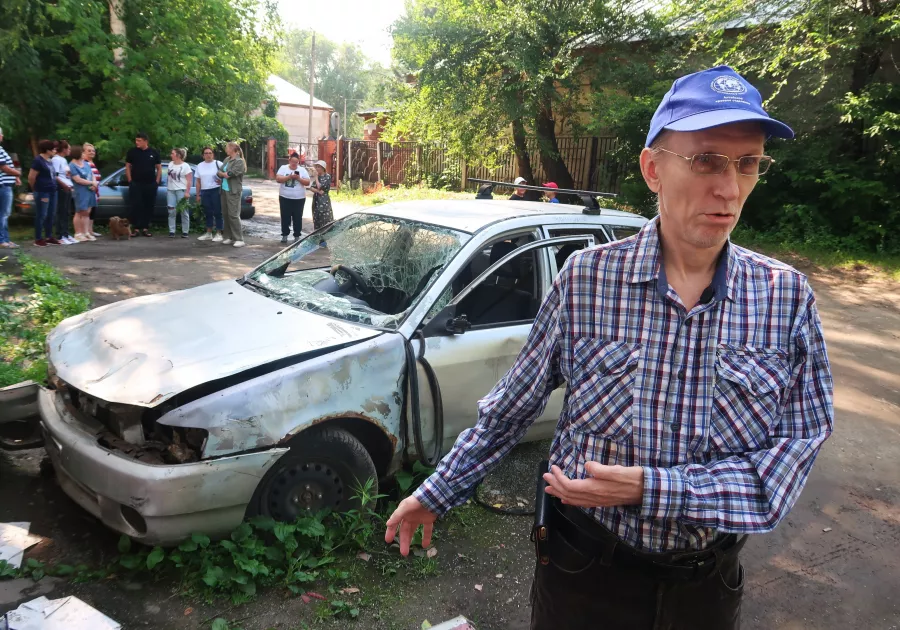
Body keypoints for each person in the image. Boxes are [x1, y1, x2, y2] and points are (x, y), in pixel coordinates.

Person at [385, 65, 834, 630]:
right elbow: (512, 407)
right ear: (653, 169)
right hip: (583, 572)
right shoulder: (587, 279)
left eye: (747, 164)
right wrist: (438, 491)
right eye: (707, 160)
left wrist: (652, 489)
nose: (729, 188)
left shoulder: (785, 298)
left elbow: (794, 452)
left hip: (705, 587)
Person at [125, 132, 161, 237]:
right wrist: (130, 180)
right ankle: (136, 228)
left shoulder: (154, 152)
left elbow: (159, 168)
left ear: (145, 141)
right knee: (136, 206)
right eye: (136, 140)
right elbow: (127, 166)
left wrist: (157, 182)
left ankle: (146, 228)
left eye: (139, 141)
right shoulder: (132, 152)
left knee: (148, 206)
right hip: (136, 184)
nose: (137, 142)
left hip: (150, 184)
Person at [28, 140, 60, 247]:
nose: (55, 151)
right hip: (43, 191)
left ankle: (49, 236)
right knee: (42, 214)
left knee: (51, 214)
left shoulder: (49, 160)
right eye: (53, 149)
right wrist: (35, 189)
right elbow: (31, 177)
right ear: (47, 150)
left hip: (52, 190)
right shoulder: (38, 161)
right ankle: (38, 238)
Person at [275, 152, 310, 244]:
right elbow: (278, 179)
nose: (294, 164)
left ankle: (297, 236)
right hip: (285, 197)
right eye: (293, 162)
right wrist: (289, 177)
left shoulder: (302, 170)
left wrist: (298, 178)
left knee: (297, 217)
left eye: (296, 162)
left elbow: (307, 182)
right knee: (285, 216)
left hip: (299, 198)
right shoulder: (283, 168)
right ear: (289, 161)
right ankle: (284, 235)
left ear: (298, 162)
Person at [217, 141, 246, 247]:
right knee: (225, 214)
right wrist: (223, 174)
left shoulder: (239, 161)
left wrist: (224, 174)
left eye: (227, 147)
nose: (226, 149)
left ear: (233, 149)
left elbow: (231, 173)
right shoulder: (227, 159)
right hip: (224, 190)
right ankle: (228, 237)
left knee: (233, 214)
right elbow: (219, 172)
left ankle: (239, 239)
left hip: (233, 191)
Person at [67, 145, 98, 242]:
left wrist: (94, 183)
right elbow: (77, 179)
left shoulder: (85, 163)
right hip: (80, 191)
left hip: (90, 190)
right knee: (80, 211)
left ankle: (86, 232)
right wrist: (91, 183)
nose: (84, 154)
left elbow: (92, 174)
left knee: (87, 212)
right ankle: (78, 233)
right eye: (82, 152)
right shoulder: (72, 166)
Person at [195, 147, 224, 242]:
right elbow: (198, 181)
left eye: (210, 153)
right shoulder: (199, 165)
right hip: (204, 191)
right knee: (208, 212)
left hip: (216, 190)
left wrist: (222, 182)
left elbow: (227, 176)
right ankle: (209, 233)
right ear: (203, 155)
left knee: (217, 212)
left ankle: (219, 233)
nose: (208, 155)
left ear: (213, 154)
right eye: (206, 153)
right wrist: (198, 194)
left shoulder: (218, 164)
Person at [0, 127, 22, 249]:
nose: (2, 136)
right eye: (1, 134)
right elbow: (4, 168)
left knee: (5, 214)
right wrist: (17, 173)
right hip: (3, 186)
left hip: (6, 185)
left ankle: (6, 239)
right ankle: (2, 240)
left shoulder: (1, 149)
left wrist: (15, 177)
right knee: (3, 214)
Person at [51, 140, 76, 244]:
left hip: (68, 187)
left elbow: (65, 174)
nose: (70, 150)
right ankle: (60, 235)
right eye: (68, 148)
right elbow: (55, 175)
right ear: (64, 149)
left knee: (66, 212)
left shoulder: (64, 160)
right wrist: (63, 185)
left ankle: (66, 233)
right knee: (61, 211)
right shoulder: (56, 159)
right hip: (62, 188)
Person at [166, 148, 193, 238]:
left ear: (178, 155)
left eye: (172, 153)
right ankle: (172, 231)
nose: (171, 155)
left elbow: (189, 180)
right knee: (171, 211)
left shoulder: (185, 166)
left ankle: (185, 231)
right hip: (171, 190)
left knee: (184, 211)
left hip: (181, 190)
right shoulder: (170, 164)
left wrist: (187, 192)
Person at [83, 143, 102, 238]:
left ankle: (90, 230)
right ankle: (85, 231)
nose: (92, 152)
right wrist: (91, 185)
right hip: (88, 190)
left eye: (93, 151)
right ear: (83, 152)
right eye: (89, 151)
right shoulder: (84, 163)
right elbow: (85, 176)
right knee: (87, 211)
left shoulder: (92, 163)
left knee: (93, 211)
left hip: (95, 191)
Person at [309, 160, 333, 231]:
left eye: (318, 167)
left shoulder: (327, 176)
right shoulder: (318, 177)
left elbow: (319, 186)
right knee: (316, 217)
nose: (317, 169)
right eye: (316, 167)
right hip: (316, 200)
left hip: (324, 200)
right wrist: (318, 191)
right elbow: (311, 188)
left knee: (325, 218)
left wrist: (316, 177)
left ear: (323, 168)